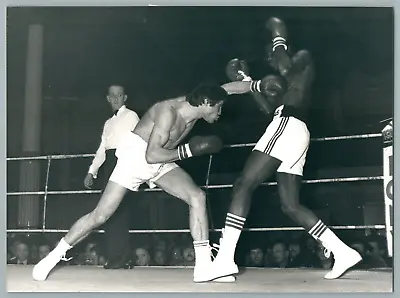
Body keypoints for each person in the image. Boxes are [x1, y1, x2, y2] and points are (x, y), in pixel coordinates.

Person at [32, 80, 284, 283]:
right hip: (137, 157)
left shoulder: (199, 105)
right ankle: (52, 257)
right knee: (100, 216)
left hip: (162, 160)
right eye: (218, 108)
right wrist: (188, 151)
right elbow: (150, 154)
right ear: (206, 103)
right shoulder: (168, 112)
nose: (220, 113)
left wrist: (257, 85)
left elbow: (228, 88)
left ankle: (203, 266)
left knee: (197, 196)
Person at [200, 17, 362, 282]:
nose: (271, 60)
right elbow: (267, 109)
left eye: (273, 54)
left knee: (243, 185)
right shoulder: (289, 85)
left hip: (288, 125)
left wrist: (278, 35)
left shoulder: (303, 57)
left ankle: (225, 259)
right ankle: (342, 251)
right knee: (290, 205)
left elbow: (285, 67)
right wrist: (247, 80)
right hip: (291, 128)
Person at [84, 84, 139, 269]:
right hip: (109, 163)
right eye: (112, 95)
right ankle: (115, 256)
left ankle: (124, 257)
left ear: (125, 97)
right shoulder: (108, 123)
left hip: (124, 161)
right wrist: (92, 171)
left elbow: (138, 141)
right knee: (107, 212)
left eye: (119, 95)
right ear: (108, 98)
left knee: (120, 210)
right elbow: (102, 150)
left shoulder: (131, 116)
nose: (116, 98)